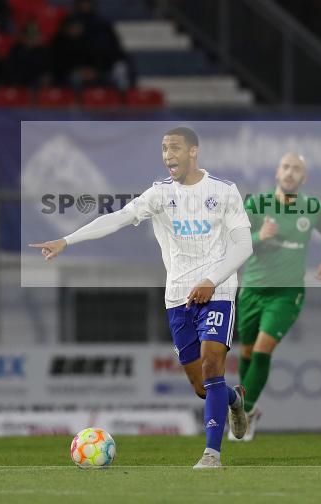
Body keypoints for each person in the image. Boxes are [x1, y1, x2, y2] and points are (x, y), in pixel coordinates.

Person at [30, 127, 252, 469]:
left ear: (194, 151)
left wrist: (212, 280)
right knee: (202, 387)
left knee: (212, 364)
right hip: (178, 297)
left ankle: (212, 454)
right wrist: (67, 241)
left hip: (218, 291)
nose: (168, 156)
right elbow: (117, 218)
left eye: (175, 148)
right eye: (164, 149)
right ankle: (234, 399)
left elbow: (243, 246)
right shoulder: (159, 194)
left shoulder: (223, 192)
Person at [231, 153, 321, 441]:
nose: (291, 173)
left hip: (287, 292)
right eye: (286, 167)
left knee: (263, 350)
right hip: (253, 289)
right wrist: (259, 237)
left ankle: (245, 409)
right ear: (277, 173)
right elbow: (236, 241)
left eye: (297, 169)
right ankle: (248, 412)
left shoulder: (312, 207)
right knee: (246, 353)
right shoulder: (256, 204)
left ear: (303, 178)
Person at [3, 23, 52, 88]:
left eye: (35, 36)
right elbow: (11, 68)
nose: (33, 39)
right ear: (23, 37)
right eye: (30, 36)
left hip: (36, 82)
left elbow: (46, 68)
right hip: (19, 82)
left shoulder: (42, 50)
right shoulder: (16, 49)